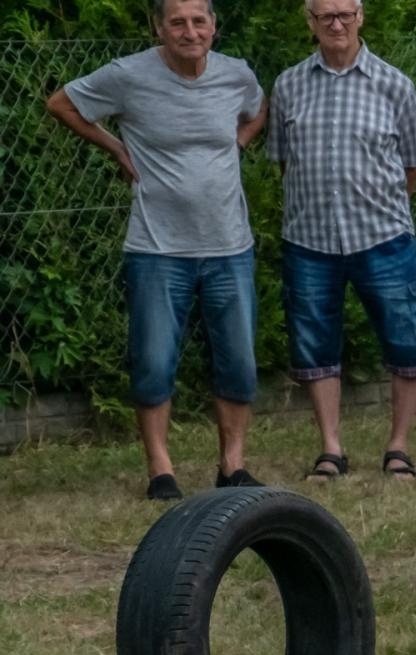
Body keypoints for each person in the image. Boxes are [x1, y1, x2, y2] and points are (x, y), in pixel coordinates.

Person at [45, 0, 266, 500]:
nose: (190, 31)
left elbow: (259, 108)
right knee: (153, 359)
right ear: (159, 28)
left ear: (214, 25)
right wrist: (117, 148)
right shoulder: (128, 76)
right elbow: (61, 102)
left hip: (230, 245)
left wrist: (240, 143)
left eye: (199, 21)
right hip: (156, 247)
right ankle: (160, 470)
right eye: (178, 22)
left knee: (238, 360)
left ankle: (232, 466)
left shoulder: (236, 74)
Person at [268, 0, 416, 483]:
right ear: (310, 22)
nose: (335, 24)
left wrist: (379, 205)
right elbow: (284, 161)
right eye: (325, 16)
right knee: (315, 345)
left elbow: (413, 165)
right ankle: (331, 449)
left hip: (383, 237)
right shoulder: (288, 85)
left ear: (361, 16)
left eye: (344, 14)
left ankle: (398, 447)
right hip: (309, 238)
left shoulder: (394, 84)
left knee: (406, 340)